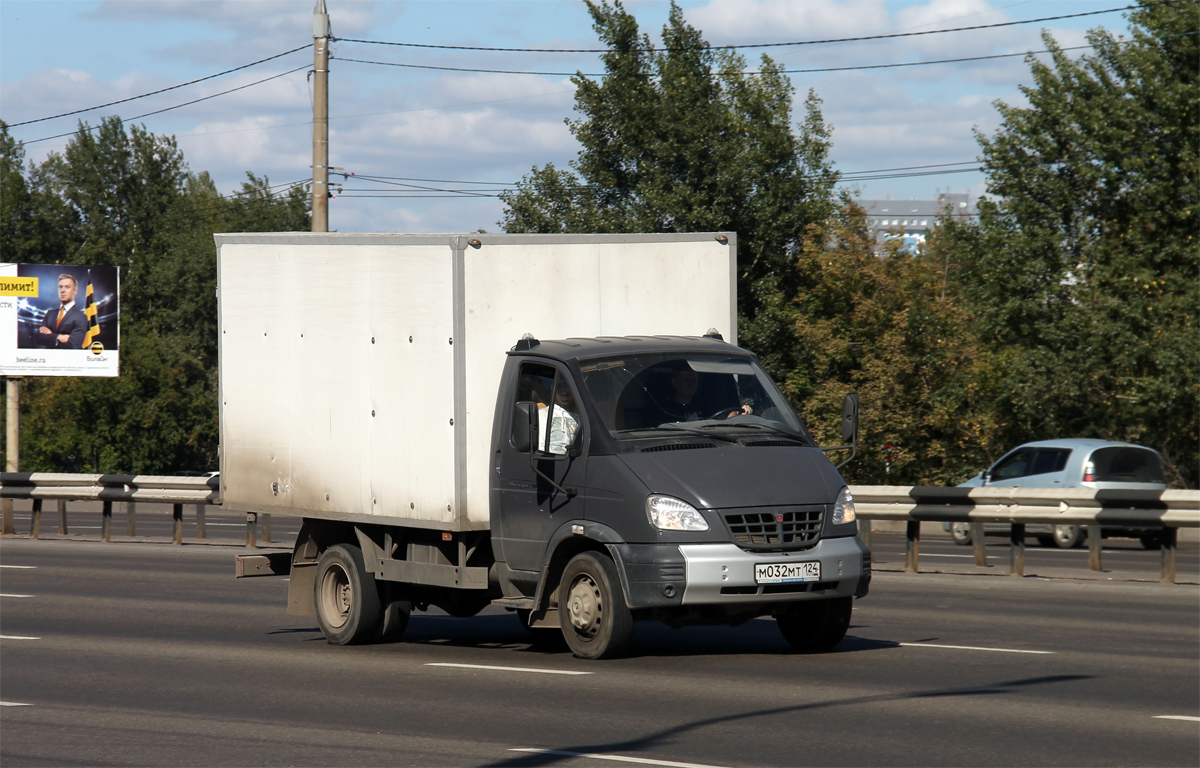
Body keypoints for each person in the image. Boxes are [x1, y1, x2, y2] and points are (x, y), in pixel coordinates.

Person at [648, 363, 752, 424]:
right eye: (686, 380)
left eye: (693, 380)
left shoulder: (704, 405)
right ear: (675, 383)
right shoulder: (662, 409)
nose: (691, 384)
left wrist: (740, 413)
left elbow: (722, 419)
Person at [33, 274, 88, 350]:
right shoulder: (50, 314)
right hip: (48, 359)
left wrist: (50, 336)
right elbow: (38, 339)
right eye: (60, 287)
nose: (62, 290)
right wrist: (58, 337)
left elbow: (73, 346)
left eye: (67, 287)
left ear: (74, 291)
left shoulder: (80, 317)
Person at [539, 379, 581, 455]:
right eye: (560, 387)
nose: (565, 391)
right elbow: (540, 447)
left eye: (568, 387)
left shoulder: (581, 417)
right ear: (553, 390)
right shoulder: (544, 414)